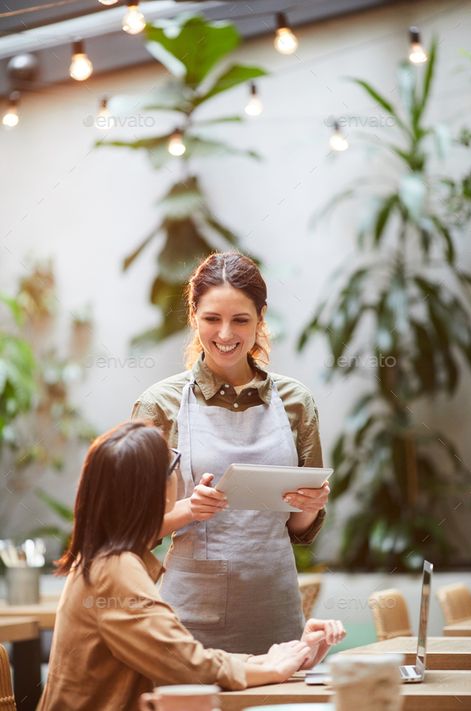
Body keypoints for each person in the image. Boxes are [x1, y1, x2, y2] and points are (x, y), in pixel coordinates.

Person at [37, 421, 345, 710]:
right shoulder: (116, 569)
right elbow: (184, 664)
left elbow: (181, 656)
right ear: (151, 490)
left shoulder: (104, 559)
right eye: (171, 466)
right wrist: (272, 667)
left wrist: (272, 660)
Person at [132, 251, 331, 654]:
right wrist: (190, 509)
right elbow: (131, 531)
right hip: (189, 622)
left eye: (241, 319)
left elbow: (298, 529)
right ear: (193, 316)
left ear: (261, 317)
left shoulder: (295, 402)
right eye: (211, 319)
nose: (225, 334)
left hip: (275, 612)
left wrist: (310, 503)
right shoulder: (160, 405)